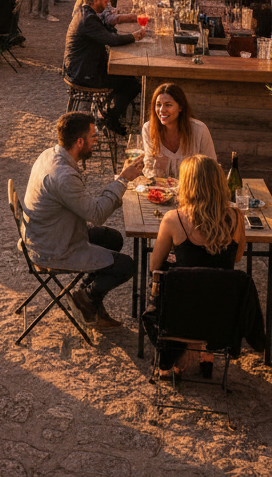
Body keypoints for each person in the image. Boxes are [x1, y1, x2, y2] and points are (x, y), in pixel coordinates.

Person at [22, 112, 145, 328]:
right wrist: (123, 180)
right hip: (53, 248)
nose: (96, 142)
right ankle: (86, 298)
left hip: (48, 233)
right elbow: (96, 214)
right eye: (93, 137)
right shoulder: (63, 176)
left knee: (112, 238)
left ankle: (85, 297)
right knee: (126, 265)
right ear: (80, 142)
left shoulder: (50, 154)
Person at [147, 154, 246, 376]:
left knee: (168, 277)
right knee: (212, 279)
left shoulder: (174, 219)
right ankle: (207, 353)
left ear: (187, 184)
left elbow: (154, 265)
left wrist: (180, 257)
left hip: (183, 314)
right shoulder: (237, 216)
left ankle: (175, 355)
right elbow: (237, 257)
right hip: (222, 315)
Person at [63, 0, 146, 135]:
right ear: (95, 0)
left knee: (127, 78)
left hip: (79, 68)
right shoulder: (88, 19)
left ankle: (109, 113)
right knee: (132, 84)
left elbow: (106, 32)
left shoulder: (85, 13)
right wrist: (134, 36)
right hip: (84, 74)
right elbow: (111, 40)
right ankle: (110, 117)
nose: (108, 1)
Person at [141, 83, 217, 178]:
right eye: (158, 105)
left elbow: (212, 168)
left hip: (192, 190)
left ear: (180, 107)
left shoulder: (199, 130)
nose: (162, 110)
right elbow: (149, 168)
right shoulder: (148, 129)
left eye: (168, 105)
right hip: (160, 190)